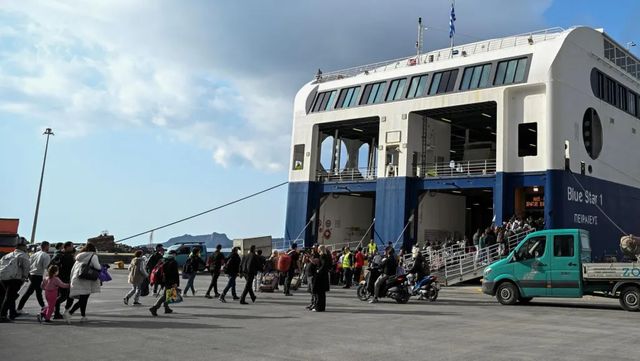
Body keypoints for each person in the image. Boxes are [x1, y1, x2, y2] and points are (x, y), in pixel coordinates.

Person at [65, 243, 101, 323]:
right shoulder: (93, 256)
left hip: (77, 279)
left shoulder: (79, 257)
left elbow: (73, 270)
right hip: (86, 280)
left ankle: (83, 316)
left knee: (83, 299)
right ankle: (70, 313)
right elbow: (97, 267)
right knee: (83, 299)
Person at [0, 237, 30, 322]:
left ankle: (12, 312)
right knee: (9, 297)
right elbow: (26, 268)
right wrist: (24, 277)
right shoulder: (23, 255)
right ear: (23, 246)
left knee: (10, 296)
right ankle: (2, 316)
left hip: (3, 278)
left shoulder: (8, 255)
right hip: (15, 278)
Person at [17, 241, 51, 314]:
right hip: (37, 275)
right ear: (46, 246)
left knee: (33, 292)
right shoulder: (45, 255)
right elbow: (46, 266)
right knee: (33, 292)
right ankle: (43, 308)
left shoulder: (35, 254)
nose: (49, 248)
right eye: (48, 246)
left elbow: (29, 263)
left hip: (31, 274)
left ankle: (43, 307)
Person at [149, 249, 180, 316]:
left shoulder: (164, 260)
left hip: (164, 280)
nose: (176, 256)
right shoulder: (173, 262)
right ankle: (154, 307)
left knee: (169, 295)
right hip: (171, 281)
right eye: (175, 254)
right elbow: (174, 274)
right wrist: (175, 283)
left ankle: (166, 308)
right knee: (166, 295)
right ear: (173, 255)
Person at [51, 241, 75, 319]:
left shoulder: (58, 255)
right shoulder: (67, 256)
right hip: (65, 279)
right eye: (71, 246)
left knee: (62, 296)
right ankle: (58, 312)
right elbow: (72, 268)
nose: (73, 247)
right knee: (65, 296)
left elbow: (51, 265)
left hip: (59, 278)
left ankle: (57, 312)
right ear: (67, 247)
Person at [312, 245, 331, 312]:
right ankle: (321, 307)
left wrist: (318, 270)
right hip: (324, 276)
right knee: (322, 293)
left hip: (321, 276)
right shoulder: (327, 256)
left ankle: (318, 307)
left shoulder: (322, 256)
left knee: (319, 292)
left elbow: (323, 265)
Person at [305, 245, 319, 310]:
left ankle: (315, 303)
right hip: (308, 274)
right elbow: (304, 262)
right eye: (312, 248)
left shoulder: (318, 255)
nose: (312, 249)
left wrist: (309, 256)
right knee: (310, 290)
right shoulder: (312, 255)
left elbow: (314, 262)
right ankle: (312, 303)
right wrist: (306, 257)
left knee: (313, 291)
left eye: (314, 248)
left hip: (313, 275)